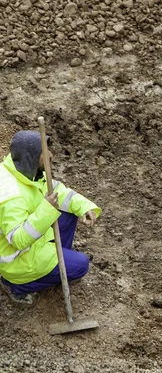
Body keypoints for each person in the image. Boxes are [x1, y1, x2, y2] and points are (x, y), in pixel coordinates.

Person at [0, 130, 101, 307]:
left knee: (69, 212)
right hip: (18, 260)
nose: (51, 155)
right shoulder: (12, 197)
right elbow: (19, 240)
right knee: (81, 266)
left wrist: (84, 206)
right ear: (30, 156)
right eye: (44, 152)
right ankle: (16, 285)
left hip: (34, 242)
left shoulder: (23, 170)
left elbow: (57, 192)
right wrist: (47, 209)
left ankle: (57, 262)